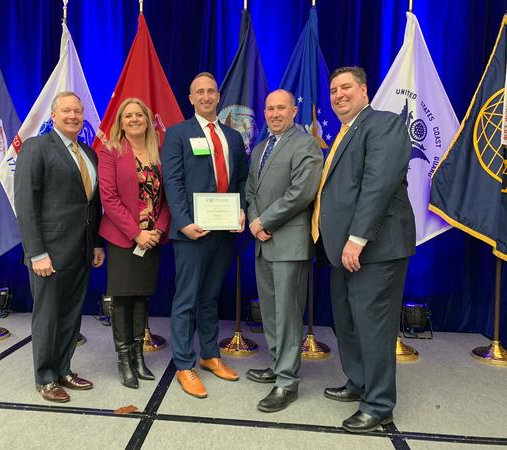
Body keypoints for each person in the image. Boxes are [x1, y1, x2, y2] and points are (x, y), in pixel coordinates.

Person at [312, 66, 415, 432]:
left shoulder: (383, 124)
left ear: (364, 90)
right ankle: (358, 382)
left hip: (375, 248)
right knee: (348, 324)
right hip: (340, 251)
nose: (338, 95)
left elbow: (378, 184)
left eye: (346, 88)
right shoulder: (343, 133)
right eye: (334, 90)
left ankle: (379, 403)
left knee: (374, 328)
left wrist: (357, 238)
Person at [161, 72, 248, 398]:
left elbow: (240, 180)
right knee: (186, 300)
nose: (207, 96)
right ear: (191, 97)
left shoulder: (233, 136)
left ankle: (210, 355)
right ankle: (184, 364)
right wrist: (183, 223)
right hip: (191, 233)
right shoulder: (177, 134)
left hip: (223, 232)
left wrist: (241, 209)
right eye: (200, 92)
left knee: (210, 298)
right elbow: (173, 182)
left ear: (218, 96)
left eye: (211, 91)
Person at [14, 91, 105, 403]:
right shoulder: (36, 147)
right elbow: (26, 204)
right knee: (49, 315)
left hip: (81, 250)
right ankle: (45, 377)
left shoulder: (89, 153)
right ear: (53, 116)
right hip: (48, 253)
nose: (73, 116)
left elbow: (92, 206)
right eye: (66, 111)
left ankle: (64, 369)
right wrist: (36, 252)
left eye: (78, 111)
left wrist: (95, 244)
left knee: (71, 314)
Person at [245, 89, 323, 412]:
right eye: (269, 108)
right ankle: (278, 364)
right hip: (262, 241)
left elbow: (301, 193)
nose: (274, 113)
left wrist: (265, 220)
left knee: (288, 314)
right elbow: (251, 190)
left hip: (288, 243)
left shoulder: (306, 144)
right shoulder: (261, 147)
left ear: (294, 111)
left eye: (281, 108)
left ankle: (287, 382)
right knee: (271, 312)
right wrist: (253, 220)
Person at [97, 98, 170, 389]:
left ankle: (139, 356)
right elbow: (109, 199)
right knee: (123, 298)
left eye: (139, 114)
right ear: (121, 122)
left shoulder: (158, 151)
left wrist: (158, 230)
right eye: (128, 116)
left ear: (147, 119)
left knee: (142, 296)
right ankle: (124, 360)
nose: (134, 119)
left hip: (152, 239)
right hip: (123, 238)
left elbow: (166, 198)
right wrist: (136, 233)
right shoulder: (111, 151)